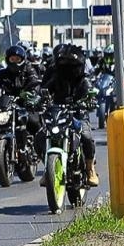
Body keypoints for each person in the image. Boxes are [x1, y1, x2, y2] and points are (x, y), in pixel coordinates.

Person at [44, 43, 101, 187]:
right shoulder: (56, 78)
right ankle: (47, 170)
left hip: (78, 113)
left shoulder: (83, 80)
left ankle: (90, 169)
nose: (68, 68)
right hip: (58, 112)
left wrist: (90, 101)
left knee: (87, 137)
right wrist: (38, 98)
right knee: (41, 135)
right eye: (65, 65)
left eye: (72, 65)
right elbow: (44, 89)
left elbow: (90, 93)